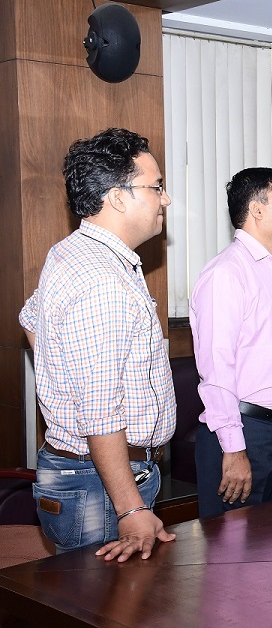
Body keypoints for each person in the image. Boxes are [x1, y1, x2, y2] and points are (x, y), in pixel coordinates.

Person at [19, 128, 176, 561]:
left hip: (93, 474)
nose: (165, 199)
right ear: (118, 197)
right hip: (100, 483)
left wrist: (63, 375)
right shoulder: (104, 282)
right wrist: (130, 508)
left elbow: (29, 317)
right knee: (103, 599)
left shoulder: (72, 252)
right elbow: (100, 413)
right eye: (156, 186)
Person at [190, 168, 272, 518]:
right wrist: (233, 449)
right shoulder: (226, 274)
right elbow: (216, 370)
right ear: (257, 210)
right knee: (235, 547)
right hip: (246, 434)